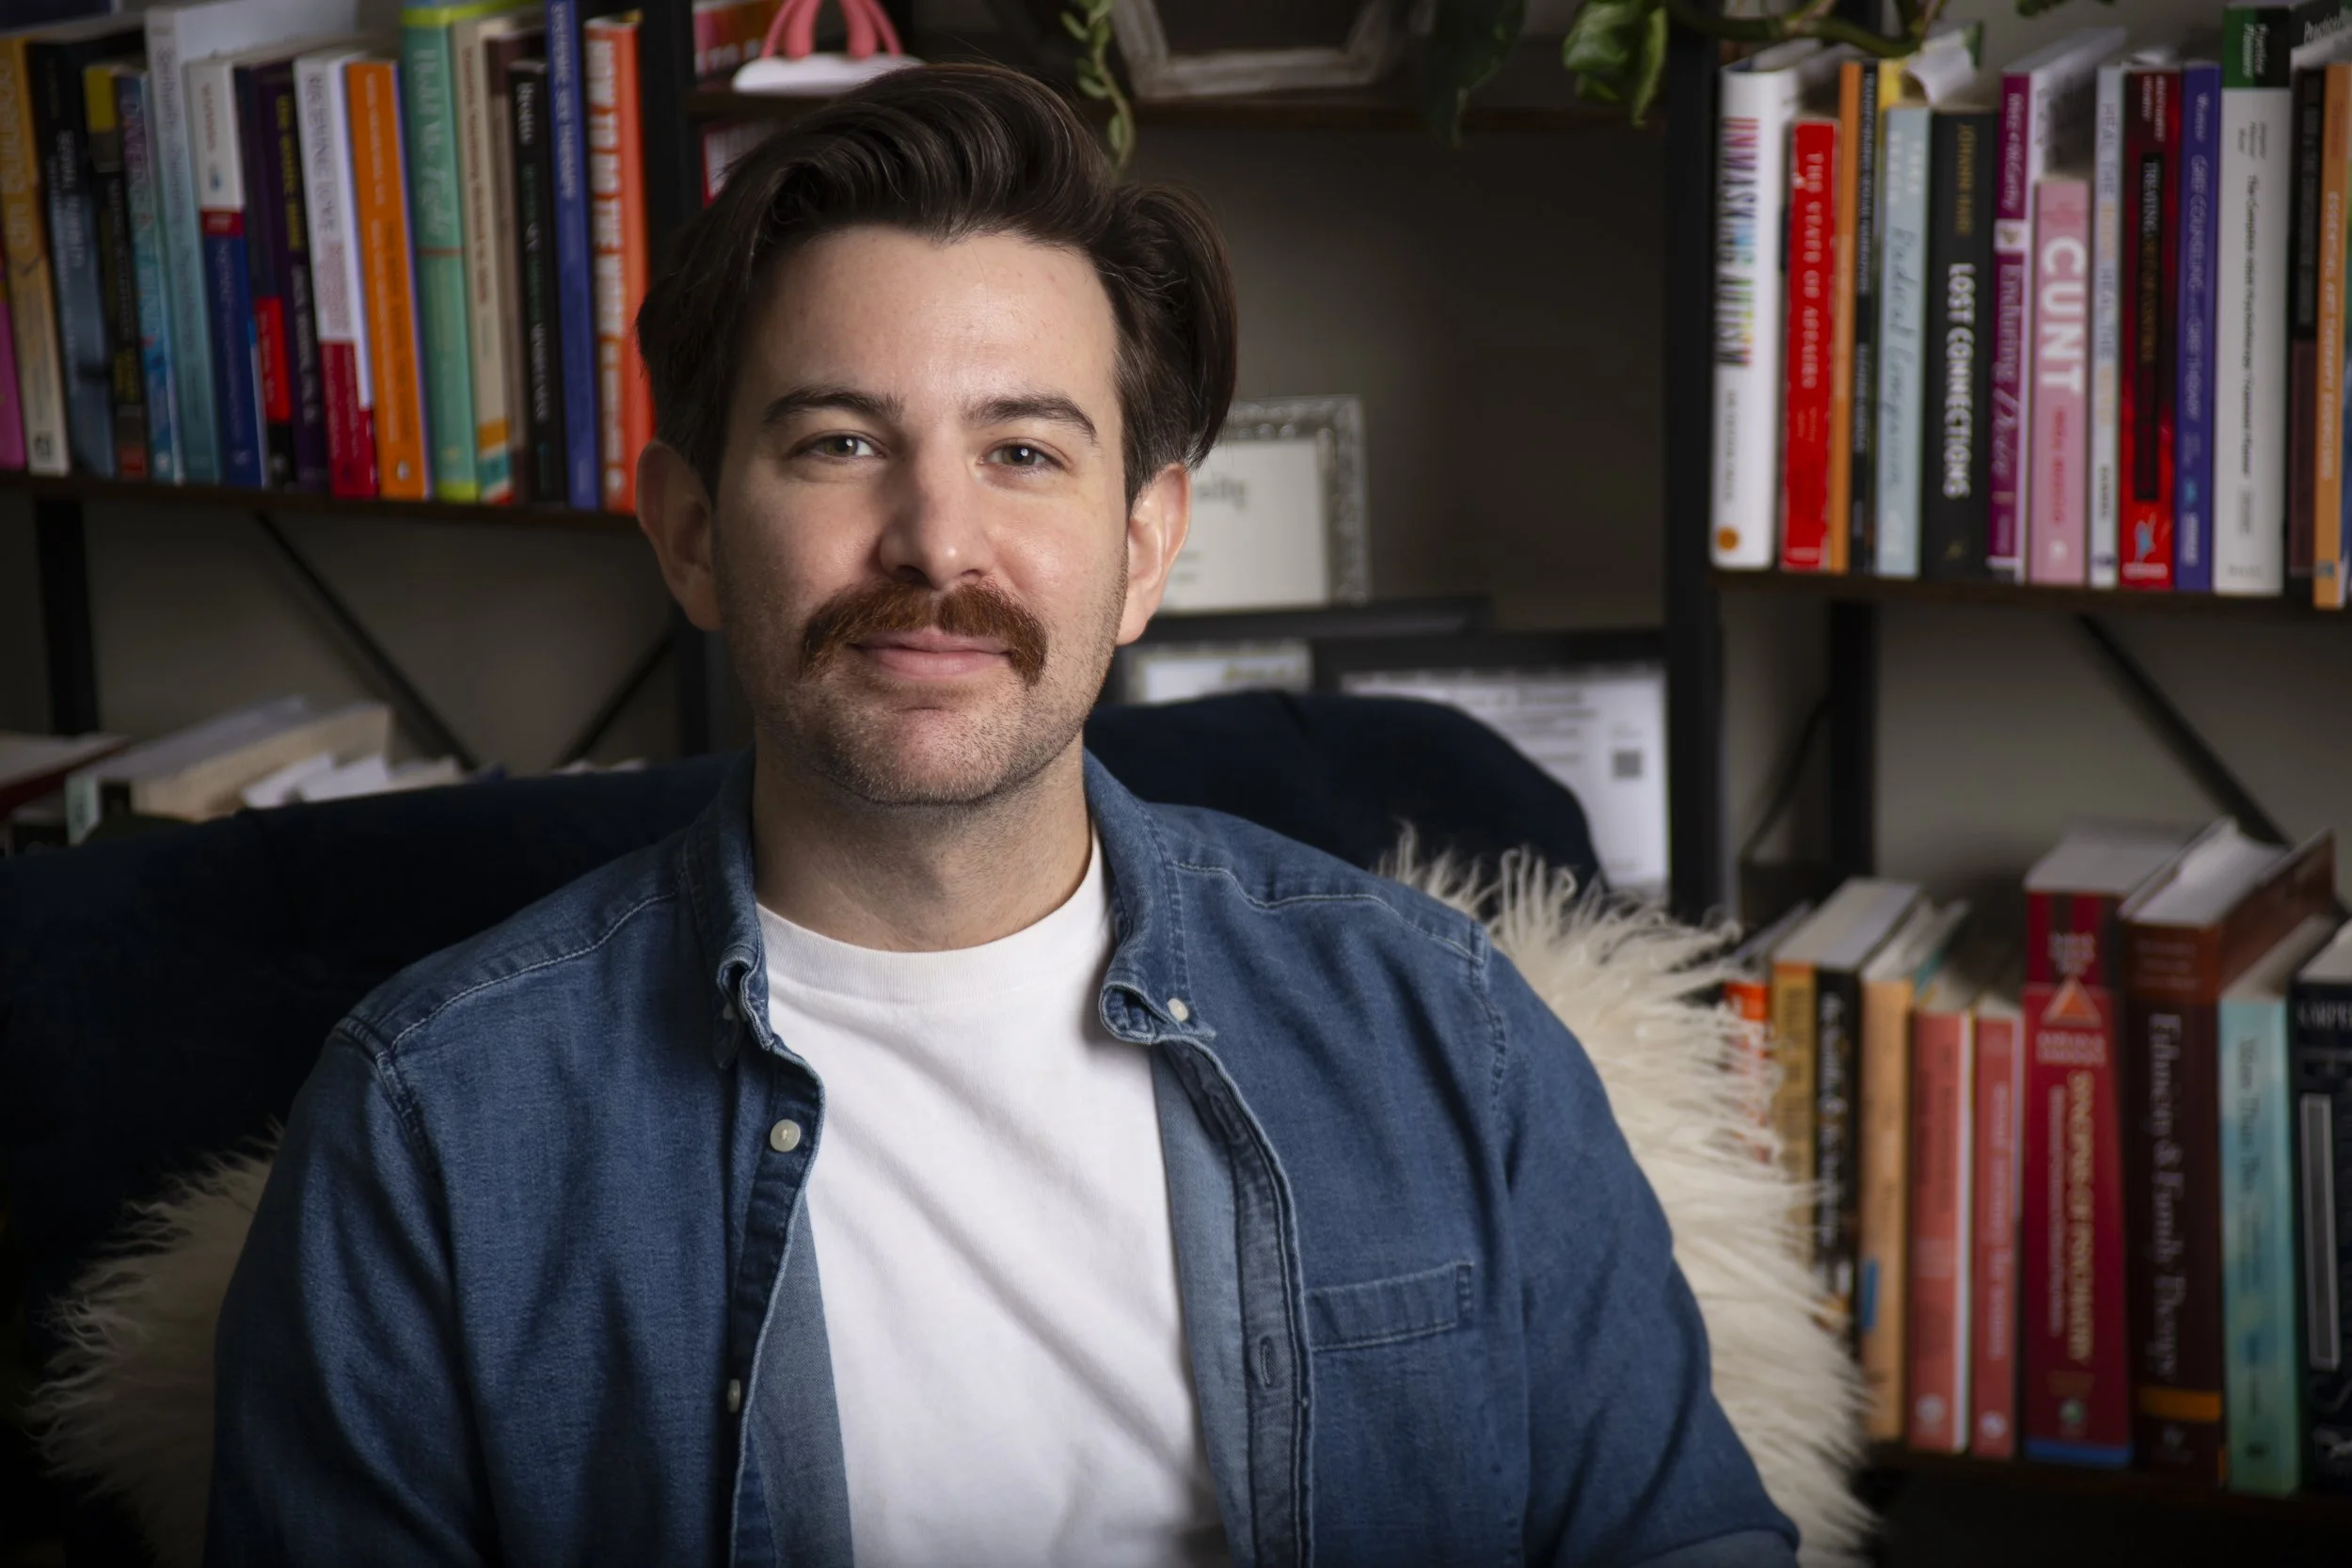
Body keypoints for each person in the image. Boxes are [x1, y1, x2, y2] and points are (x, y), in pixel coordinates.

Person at [207, 63, 1796, 1568]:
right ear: (690, 534)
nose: (937, 541)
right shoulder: (431, 1127)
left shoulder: (1449, 1033)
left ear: (1148, 543)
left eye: (1024, 450)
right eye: (841, 443)